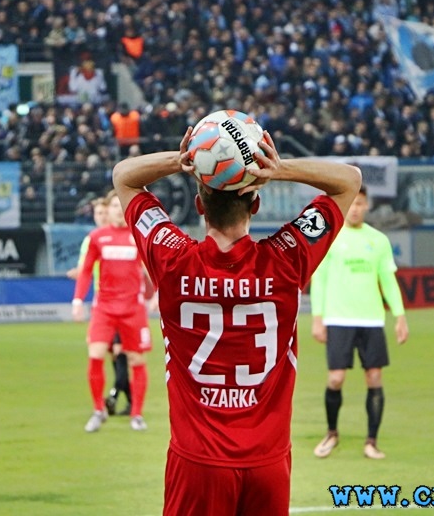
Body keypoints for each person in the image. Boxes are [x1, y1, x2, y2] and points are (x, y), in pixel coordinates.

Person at [113, 128, 362, 516]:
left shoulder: (171, 259)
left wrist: (183, 160)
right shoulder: (288, 259)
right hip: (268, 464)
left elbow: (124, 176)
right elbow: (349, 181)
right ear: (256, 204)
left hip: (197, 463)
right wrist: (276, 169)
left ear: (199, 204)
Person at [310, 187, 409, 461]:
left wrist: (399, 315)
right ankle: (331, 433)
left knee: (375, 378)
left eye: (360, 204)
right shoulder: (331, 238)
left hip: (371, 320)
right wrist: (318, 317)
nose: (355, 208)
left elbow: (388, 280)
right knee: (336, 378)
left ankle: (371, 442)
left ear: (367, 206)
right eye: (351, 203)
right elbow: (319, 279)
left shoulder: (378, 240)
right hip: (338, 318)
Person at [72, 190, 151, 432]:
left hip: (132, 308)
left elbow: (150, 269)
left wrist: (155, 294)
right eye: (114, 206)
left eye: (122, 206)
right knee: (95, 355)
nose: (118, 210)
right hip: (104, 308)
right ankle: (98, 410)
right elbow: (86, 270)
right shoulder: (98, 237)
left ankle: (136, 415)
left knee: (136, 360)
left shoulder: (138, 237)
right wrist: (77, 300)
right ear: (109, 209)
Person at [66, 196, 131, 416]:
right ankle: (125, 399)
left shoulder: (125, 238)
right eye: (98, 214)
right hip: (103, 304)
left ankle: (114, 396)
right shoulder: (93, 239)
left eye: (106, 212)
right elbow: (86, 268)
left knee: (120, 353)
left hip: (124, 305)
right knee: (114, 353)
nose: (102, 217)